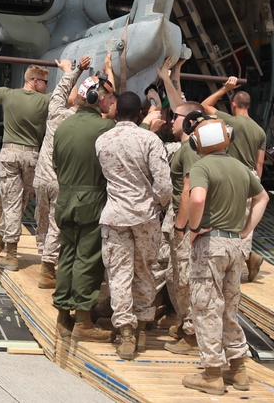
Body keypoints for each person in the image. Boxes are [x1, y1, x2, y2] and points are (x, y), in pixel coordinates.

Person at [177, 116, 269, 395]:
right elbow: (263, 198)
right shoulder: (242, 168)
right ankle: (239, 370)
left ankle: (212, 373)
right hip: (234, 246)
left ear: (197, 143)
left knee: (206, 308)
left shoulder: (202, 166)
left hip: (211, 244)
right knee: (229, 308)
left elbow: (197, 199)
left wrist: (193, 228)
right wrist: (245, 230)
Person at [95, 91, 171, 360]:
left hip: (115, 215)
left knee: (118, 274)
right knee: (145, 270)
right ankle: (140, 324)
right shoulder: (150, 140)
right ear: (140, 113)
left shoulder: (103, 140)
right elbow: (163, 183)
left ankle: (125, 331)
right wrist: (158, 205)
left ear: (116, 113)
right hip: (145, 216)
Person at [51, 73, 117, 342]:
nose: (111, 100)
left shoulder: (63, 128)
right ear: (96, 98)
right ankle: (84, 322)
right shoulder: (104, 129)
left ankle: (63, 318)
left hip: (65, 200)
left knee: (66, 256)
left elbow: (56, 164)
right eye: (109, 96)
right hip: (91, 202)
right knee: (87, 261)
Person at [0, 52, 51, 271]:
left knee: (11, 203)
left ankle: (11, 254)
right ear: (35, 81)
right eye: (45, 82)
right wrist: (69, 70)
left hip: (10, 156)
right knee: (20, 202)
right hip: (32, 158)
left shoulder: (8, 95)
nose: (47, 86)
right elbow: (72, 98)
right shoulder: (45, 100)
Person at [33, 55, 91, 289]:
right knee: (56, 224)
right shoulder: (81, 123)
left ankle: (42, 256)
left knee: (41, 219)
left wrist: (73, 70)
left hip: (41, 177)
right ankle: (48, 267)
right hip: (61, 181)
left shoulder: (55, 112)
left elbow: (60, 91)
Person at [203, 77, 267, 282]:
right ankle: (246, 260)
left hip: (231, 174)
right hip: (250, 177)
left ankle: (232, 269)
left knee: (226, 220)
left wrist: (225, 88)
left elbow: (205, 105)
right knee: (246, 224)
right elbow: (259, 163)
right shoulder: (260, 131)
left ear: (233, 105)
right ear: (249, 106)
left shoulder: (229, 121)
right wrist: (256, 184)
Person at [162, 101, 205, 354]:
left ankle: (191, 334)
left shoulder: (190, 148)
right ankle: (185, 323)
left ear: (187, 120)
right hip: (182, 218)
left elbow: (190, 189)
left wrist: (180, 227)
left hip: (185, 222)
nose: (170, 120)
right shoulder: (188, 147)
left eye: (175, 116)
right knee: (174, 275)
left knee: (184, 278)